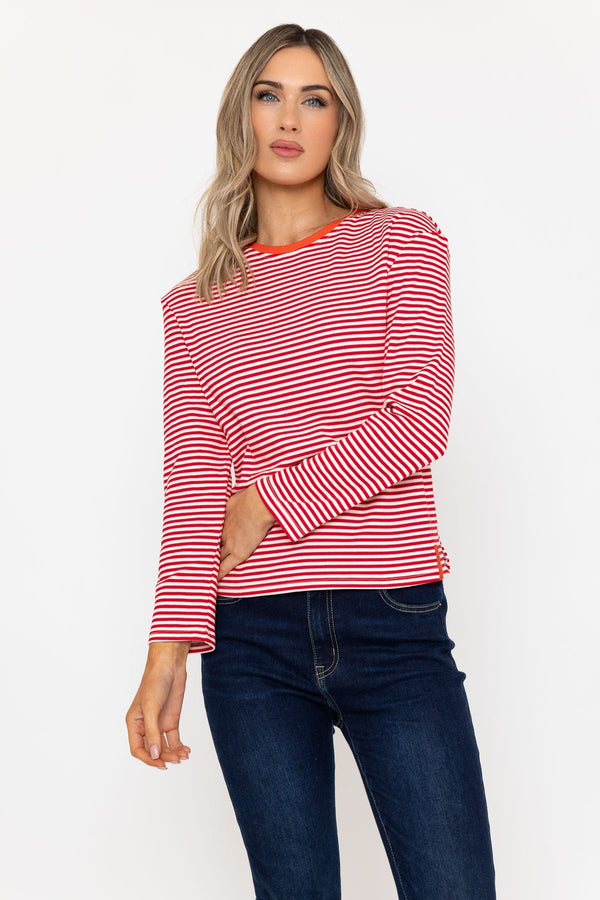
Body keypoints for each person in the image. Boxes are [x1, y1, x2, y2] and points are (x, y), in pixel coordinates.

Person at [125, 23, 497, 900]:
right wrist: (166, 651)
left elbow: (416, 422)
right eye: (270, 95)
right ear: (242, 117)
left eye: (314, 99)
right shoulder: (195, 305)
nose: (289, 118)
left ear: (341, 123)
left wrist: (264, 501)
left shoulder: (401, 243)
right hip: (249, 639)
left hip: (389, 616)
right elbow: (194, 486)